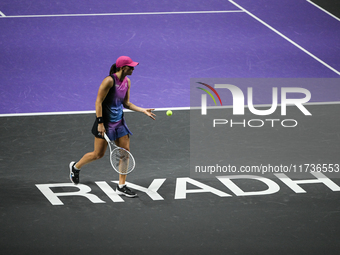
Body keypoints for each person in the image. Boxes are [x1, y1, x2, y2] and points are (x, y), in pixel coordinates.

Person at [69, 56, 156, 197]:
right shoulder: (109, 81)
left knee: (125, 152)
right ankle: (76, 167)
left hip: (119, 122)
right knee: (98, 154)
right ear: (122, 67)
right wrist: (100, 123)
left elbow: (126, 103)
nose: (133, 69)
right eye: (130, 66)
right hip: (105, 123)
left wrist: (142, 110)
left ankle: (121, 186)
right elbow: (98, 102)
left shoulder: (127, 81)